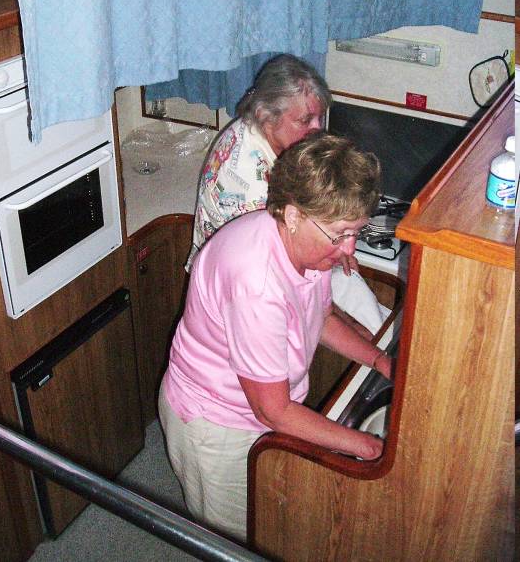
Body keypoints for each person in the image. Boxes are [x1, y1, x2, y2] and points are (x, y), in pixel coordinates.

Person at [159, 132, 393, 542]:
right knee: (235, 540)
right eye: (340, 234)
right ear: (292, 215)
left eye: (357, 230)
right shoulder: (257, 283)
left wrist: (379, 360)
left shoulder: (309, 248)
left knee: (269, 521)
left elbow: (319, 318)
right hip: (216, 426)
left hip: (263, 412)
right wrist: (368, 448)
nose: (348, 249)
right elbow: (274, 411)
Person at [186, 52, 384, 336]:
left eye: (320, 117)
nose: (317, 129)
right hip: (236, 299)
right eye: (305, 120)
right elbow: (286, 277)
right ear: (267, 117)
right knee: (365, 325)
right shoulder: (248, 182)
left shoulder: (274, 139)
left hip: (270, 267)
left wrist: (336, 244)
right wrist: (351, 328)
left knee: (364, 308)